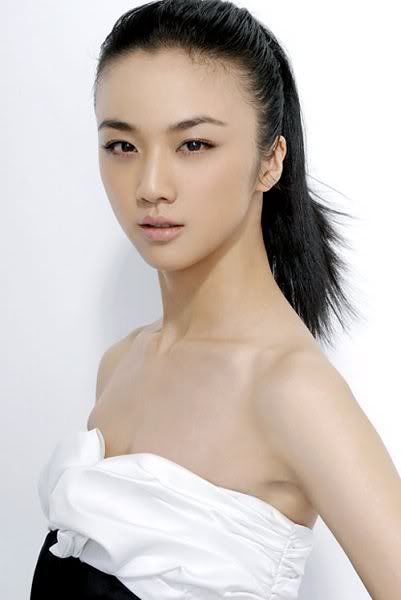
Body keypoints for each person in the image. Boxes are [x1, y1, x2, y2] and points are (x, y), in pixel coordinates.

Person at [30, 1, 401, 599]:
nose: (150, 186)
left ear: (269, 161)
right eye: (121, 145)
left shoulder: (291, 391)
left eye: (194, 144)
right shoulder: (120, 364)